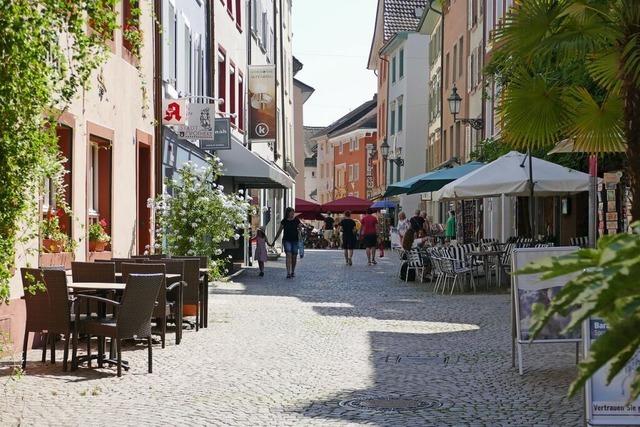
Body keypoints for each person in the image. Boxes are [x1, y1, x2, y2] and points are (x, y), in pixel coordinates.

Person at [271, 207, 302, 279]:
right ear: (288, 213)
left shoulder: (296, 220)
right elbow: (279, 231)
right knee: (288, 255)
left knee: (294, 256)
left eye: (293, 213)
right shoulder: (284, 221)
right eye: (291, 213)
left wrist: (300, 228)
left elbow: (300, 229)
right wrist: (274, 240)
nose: (293, 214)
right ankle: (288, 272)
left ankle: (293, 271)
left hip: (295, 240)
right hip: (286, 240)